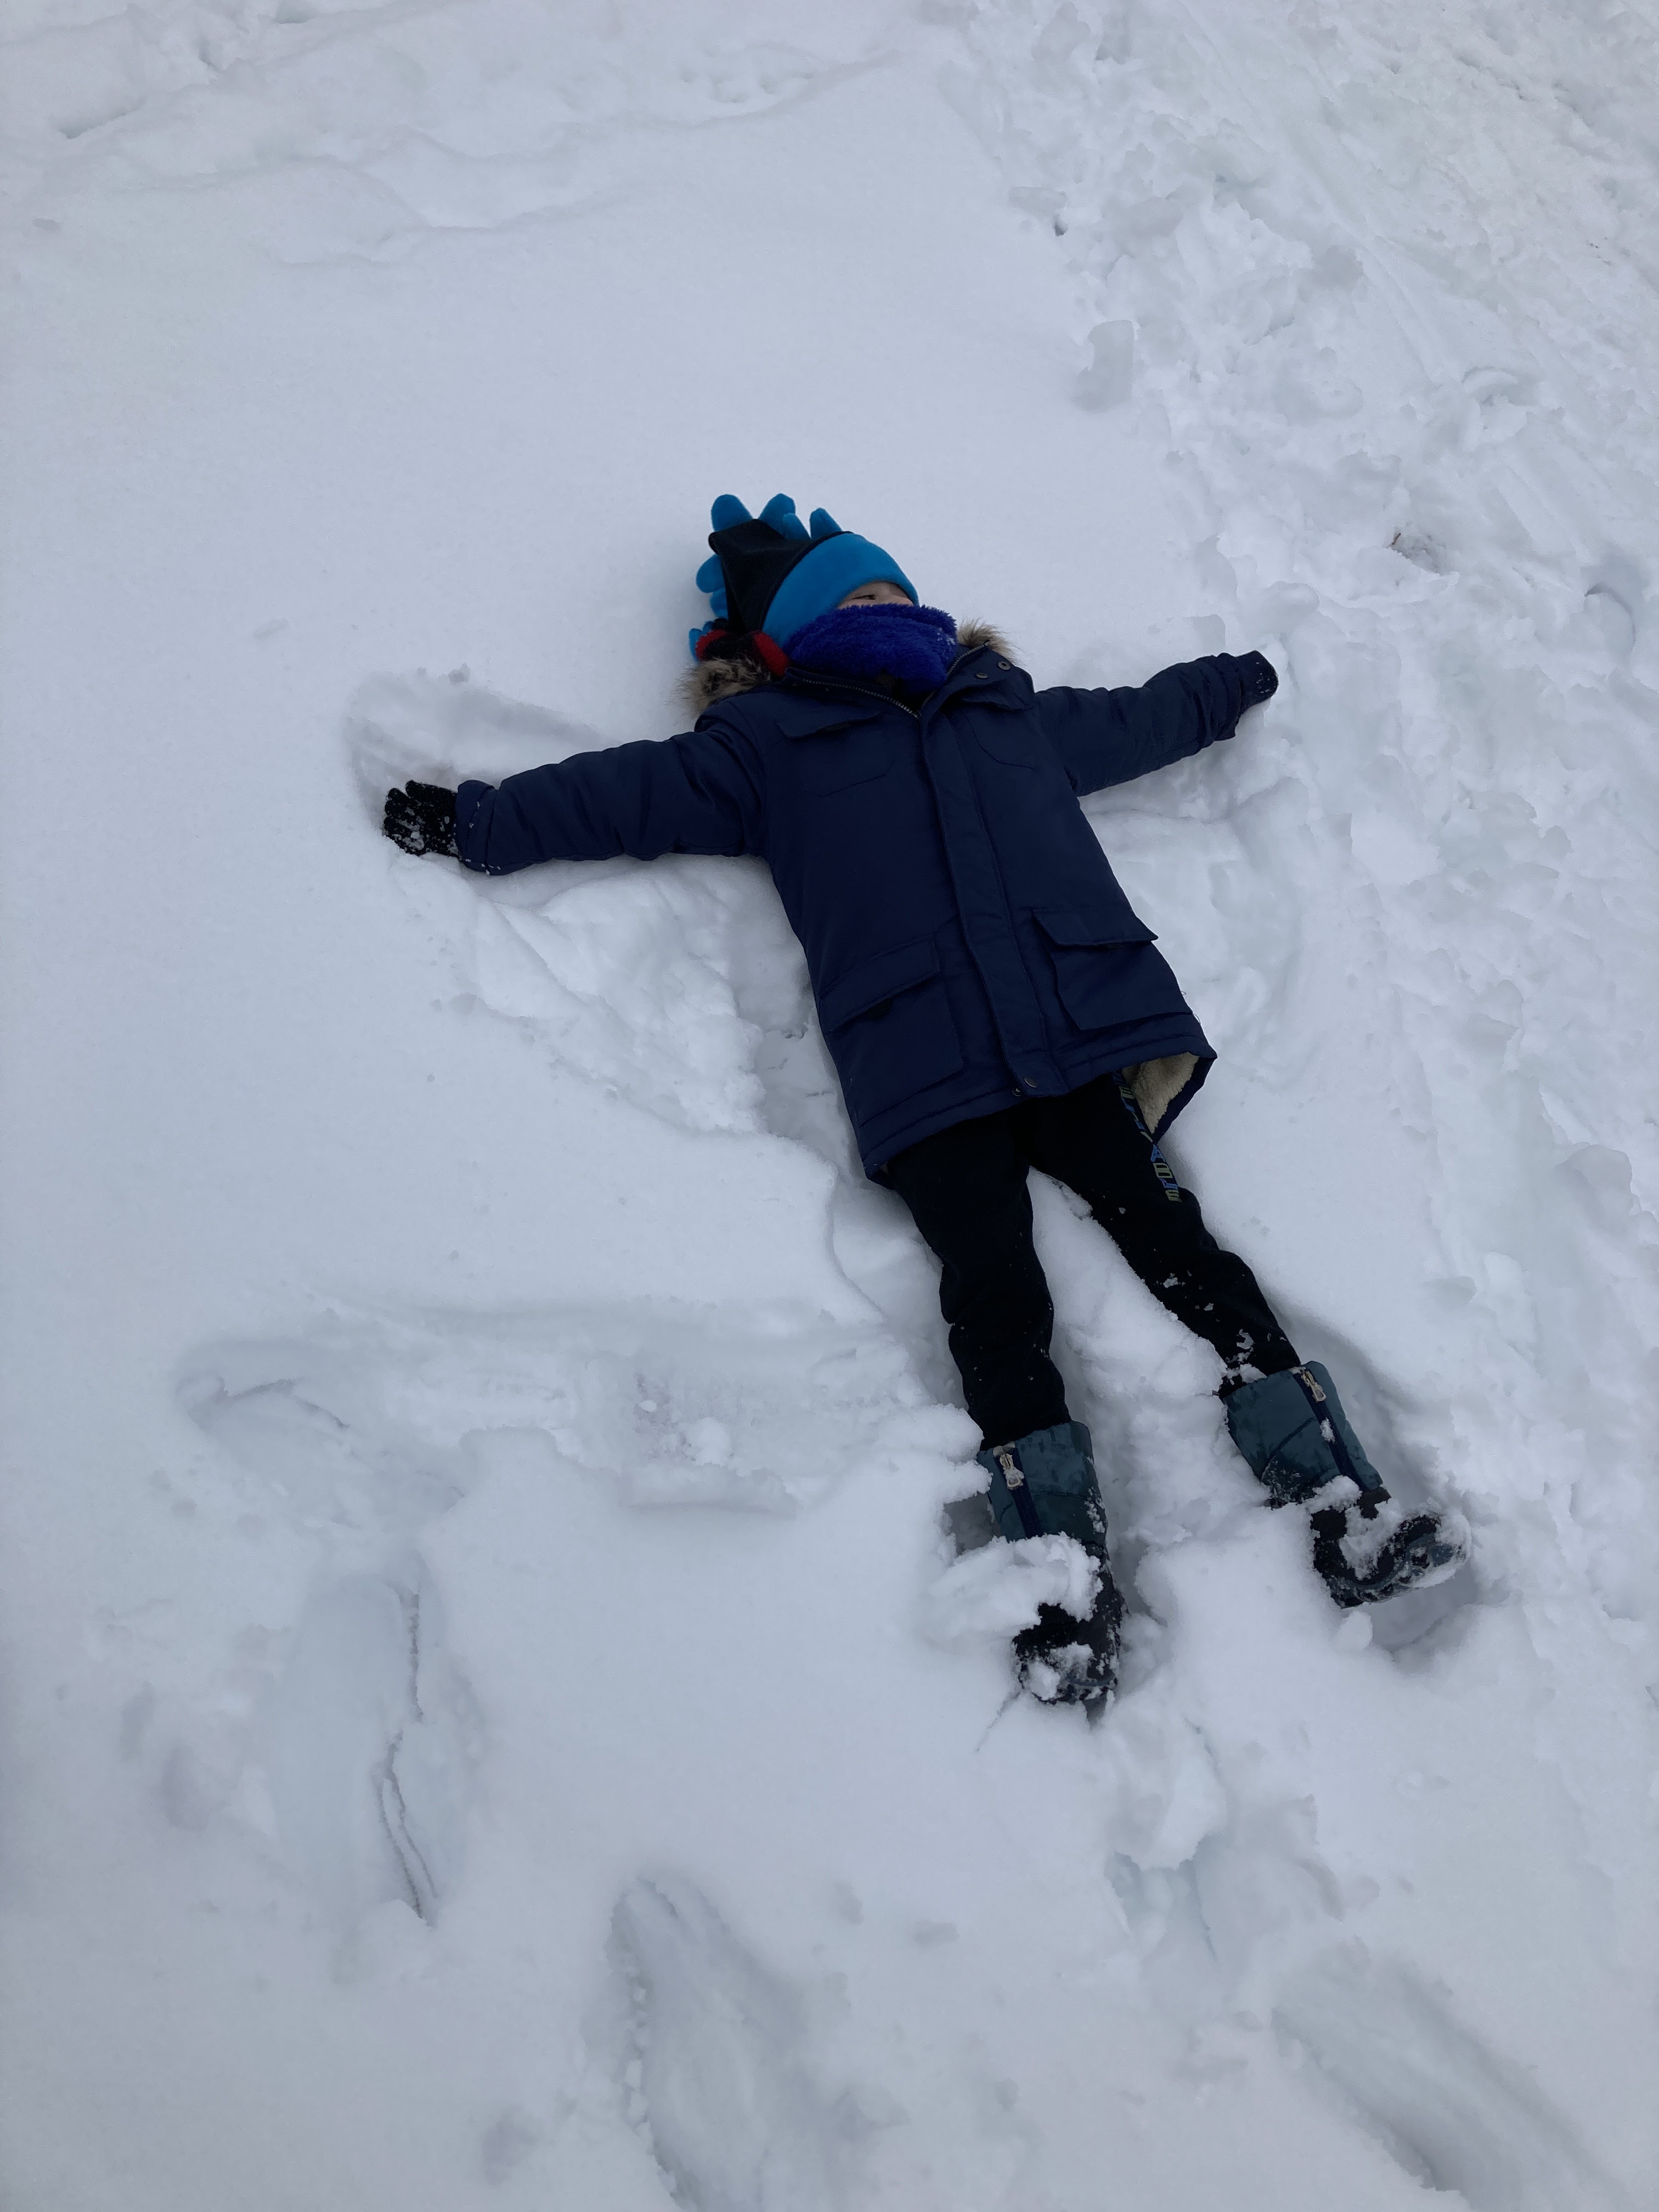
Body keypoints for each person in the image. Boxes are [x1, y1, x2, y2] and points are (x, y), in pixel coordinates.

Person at [383, 494, 1468, 1707]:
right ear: (791, 638)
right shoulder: (765, 744)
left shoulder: (1000, 709)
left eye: (891, 589)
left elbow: (1134, 721)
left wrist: (1225, 688)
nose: (882, 607)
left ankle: (1342, 1503)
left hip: (1074, 1039)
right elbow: (620, 795)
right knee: (995, 1301)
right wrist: (480, 821)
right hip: (928, 1072)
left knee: (1182, 1247)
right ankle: (1057, 1584)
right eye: (853, 598)